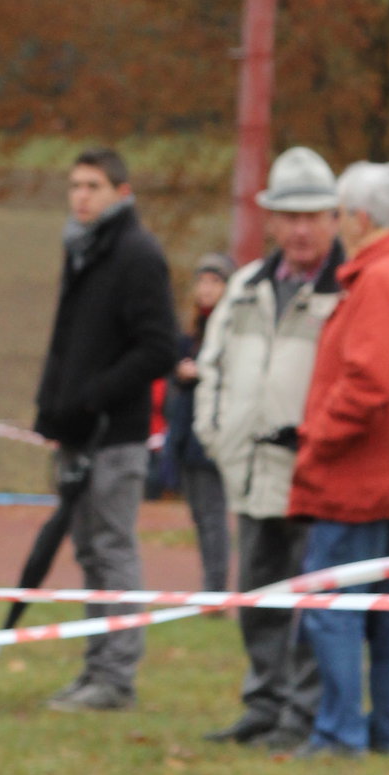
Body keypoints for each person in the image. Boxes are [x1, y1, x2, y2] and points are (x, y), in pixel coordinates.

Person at [290, 161, 389, 759]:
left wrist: (317, 438)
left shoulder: (381, 278)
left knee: (335, 605)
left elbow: (369, 382)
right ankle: (388, 730)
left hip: (363, 474)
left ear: (359, 218)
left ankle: (339, 733)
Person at [193, 147, 343, 750]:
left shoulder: (346, 289)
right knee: (258, 598)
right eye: (290, 217)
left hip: (313, 475)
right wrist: (215, 434)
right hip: (249, 470)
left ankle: (302, 715)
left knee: (313, 604)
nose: (301, 230)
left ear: (334, 218)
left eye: (313, 216)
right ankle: (264, 705)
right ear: (273, 220)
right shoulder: (246, 285)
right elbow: (212, 365)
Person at [32, 149, 179, 712]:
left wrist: (94, 396)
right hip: (77, 433)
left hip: (116, 435)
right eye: (75, 185)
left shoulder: (137, 253)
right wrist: (53, 409)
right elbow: (68, 341)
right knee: (90, 552)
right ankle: (97, 667)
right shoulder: (83, 249)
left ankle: (116, 677)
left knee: (113, 549)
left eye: (93, 185)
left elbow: (159, 347)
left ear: (122, 191)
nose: (81, 195)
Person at [160, 252, 233, 591]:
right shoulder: (188, 335)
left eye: (215, 282)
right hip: (186, 435)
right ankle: (211, 585)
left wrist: (201, 373)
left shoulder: (233, 331)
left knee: (214, 516)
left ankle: (215, 589)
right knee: (201, 516)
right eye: (202, 281)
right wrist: (178, 374)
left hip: (215, 436)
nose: (206, 289)